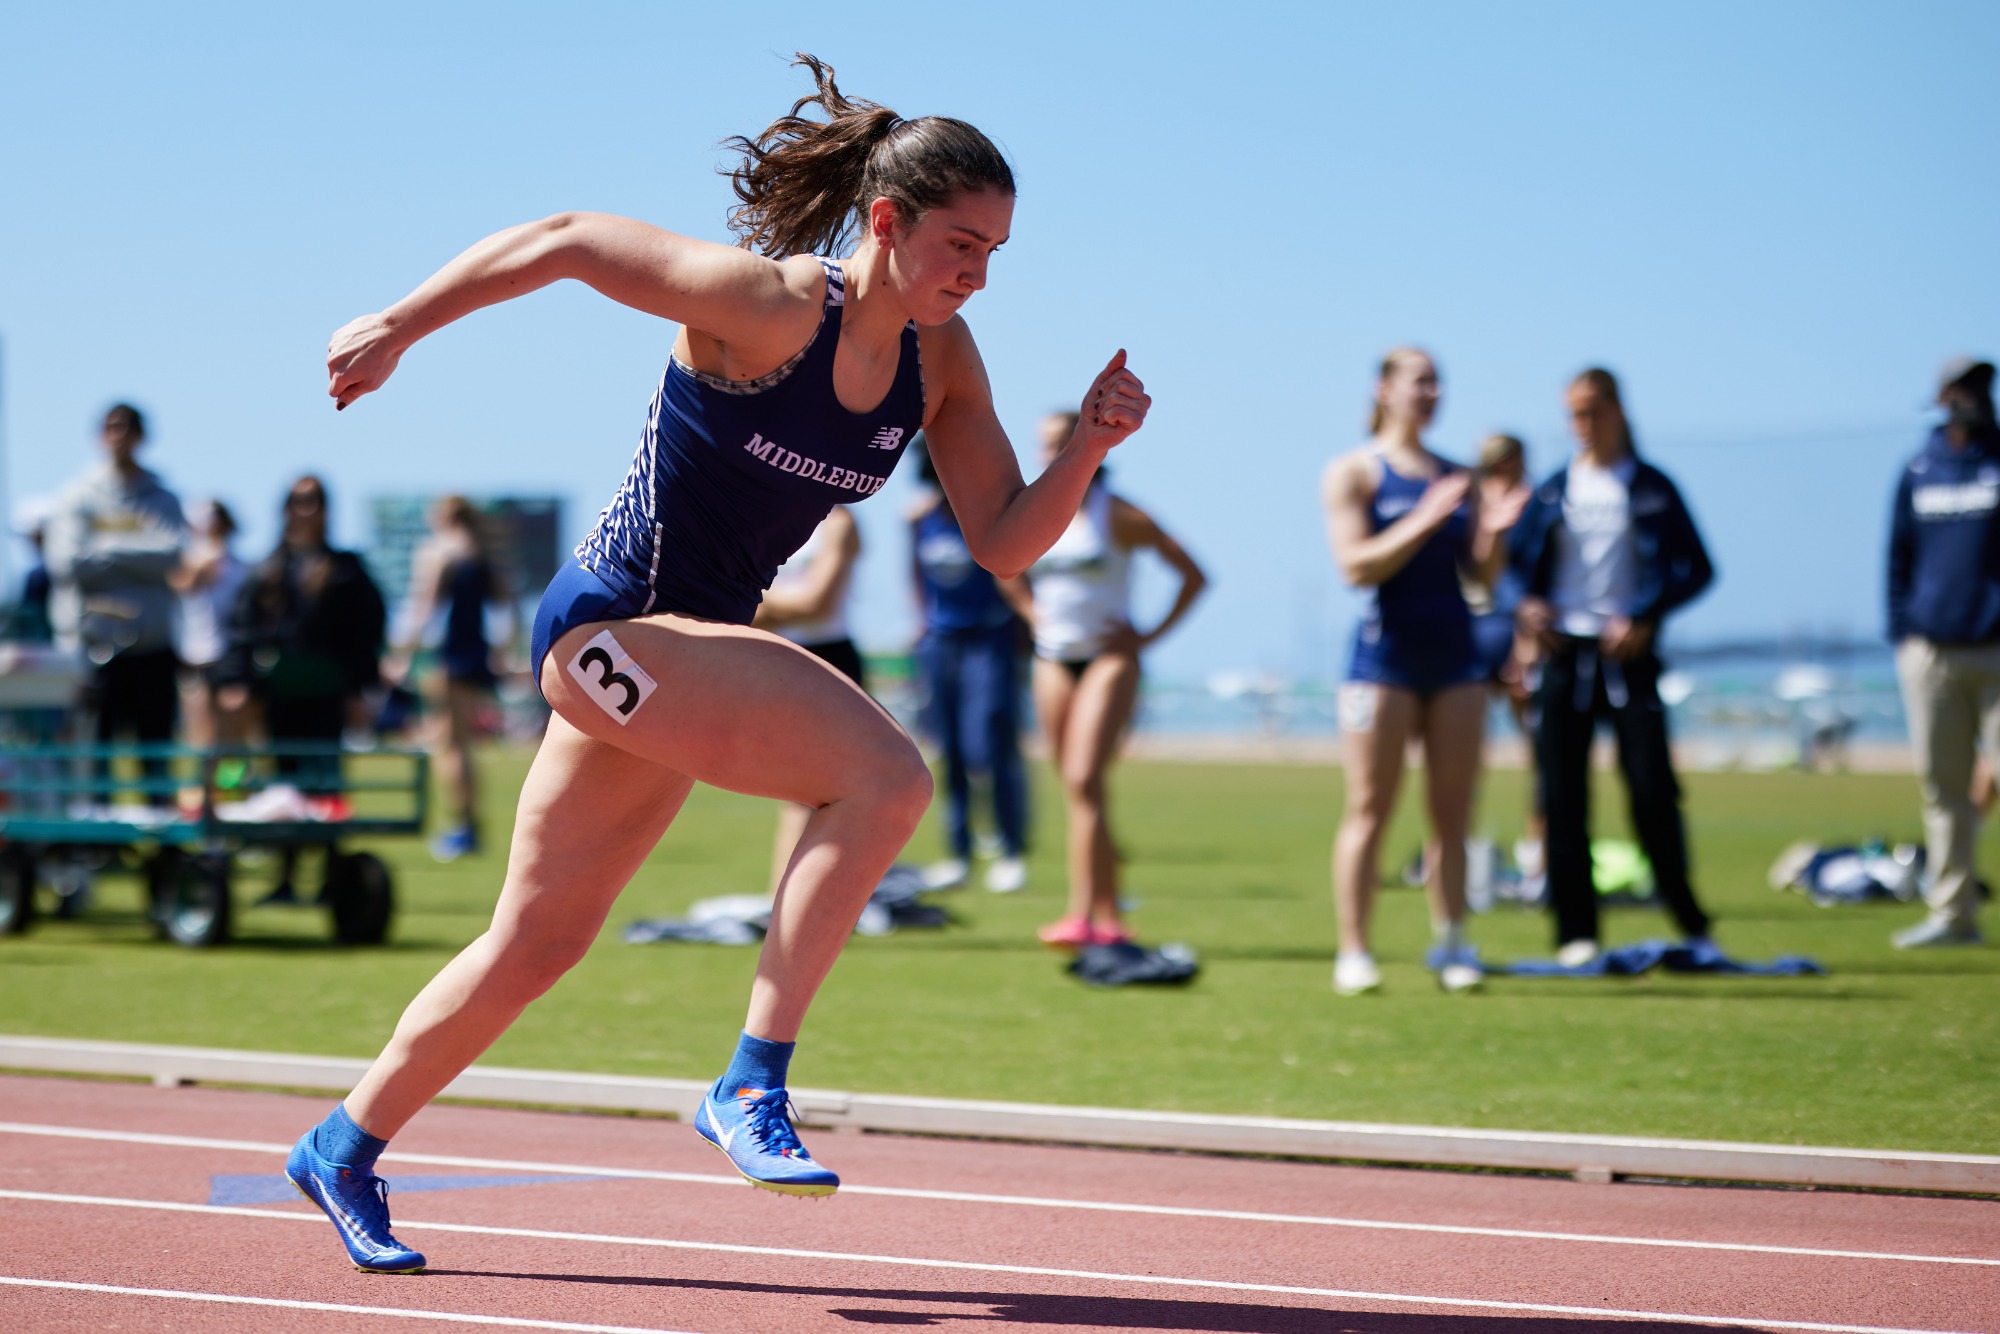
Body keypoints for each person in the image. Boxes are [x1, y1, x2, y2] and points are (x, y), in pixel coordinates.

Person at [286, 54, 1150, 1275]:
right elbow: (569, 239)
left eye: (995, 252)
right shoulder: (770, 306)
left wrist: (1089, 448)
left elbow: (1005, 537)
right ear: (886, 221)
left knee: (535, 942)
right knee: (885, 778)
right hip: (609, 626)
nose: (977, 272)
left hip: (678, 660)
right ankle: (750, 1081)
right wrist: (399, 325)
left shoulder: (942, 362)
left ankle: (341, 1143)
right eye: (961, 243)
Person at [1321, 351, 1524, 995]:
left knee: (1453, 814)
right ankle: (1355, 951)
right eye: (1420, 381)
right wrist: (1425, 518)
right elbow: (1355, 566)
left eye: (1439, 383)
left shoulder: (1458, 477)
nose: (1432, 393)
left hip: (1457, 660)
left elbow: (1481, 579)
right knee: (1368, 810)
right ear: (1384, 390)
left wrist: (1494, 532)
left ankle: (1454, 943)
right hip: (1381, 662)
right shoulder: (1354, 471)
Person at [1512, 368, 1716, 966]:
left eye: (1592, 411)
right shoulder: (1553, 491)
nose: (1582, 425)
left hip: (1628, 659)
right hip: (1563, 657)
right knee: (1561, 797)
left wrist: (1646, 615)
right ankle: (1575, 933)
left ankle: (1691, 923)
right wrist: (1525, 607)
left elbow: (1698, 568)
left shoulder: (1652, 487)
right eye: (1573, 414)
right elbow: (1514, 574)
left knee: (1652, 792)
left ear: (1618, 411)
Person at [1007, 411, 1205, 949]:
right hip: (1052, 658)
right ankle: (1110, 910)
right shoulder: (1034, 509)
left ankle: (1086, 916)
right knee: (1079, 788)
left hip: (1109, 658)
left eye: (1058, 443)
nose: (1048, 455)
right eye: (1043, 445)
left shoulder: (1117, 513)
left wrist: (1148, 636)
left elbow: (1193, 575)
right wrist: (1031, 614)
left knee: (1083, 780)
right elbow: (1002, 566)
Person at [217, 476, 388, 902]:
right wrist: (237, 680)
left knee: (326, 785)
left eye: (314, 501)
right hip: (281, 696)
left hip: (327, 697)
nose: (305, 510)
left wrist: (360, 687)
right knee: (284, 786)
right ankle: (287, 876)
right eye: (298, 501)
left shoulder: (346, 569)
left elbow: (366, 630)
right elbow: (243, 629)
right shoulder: (269, 568)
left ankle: (332, 877)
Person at [1885, 355, 2000, 949]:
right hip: (1931, 652)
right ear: (1940, 397)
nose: (1972, 397)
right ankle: (1954, 915)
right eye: (1961, 388)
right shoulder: (1918, 469)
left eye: (1981, 386)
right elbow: (1898, 557)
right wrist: (1905, 633)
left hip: (1996, 650)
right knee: (1943, 787)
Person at [43, 403, 186, 785]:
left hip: (153, 647)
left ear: (141, 436)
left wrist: (104, 549)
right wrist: (139, 554)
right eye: (110, 427)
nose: (118, 435)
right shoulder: (77, 496)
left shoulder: (162, 498)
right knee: (94, 762)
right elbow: (68, 562)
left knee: (156, 762)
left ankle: (160, 823)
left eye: (126, 427)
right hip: (94, 652)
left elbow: (171, 555)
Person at [910, 443, 1031, 893]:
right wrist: (921, 623)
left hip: (990, 639)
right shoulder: (920, 518)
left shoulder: (986, 513)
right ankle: (958, 853)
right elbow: (915, 575)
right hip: (941, 643)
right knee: (950, 750)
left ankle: (1010, 849)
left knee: (991, 744)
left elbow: (1015, 568)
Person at [752, 504, 867, 893]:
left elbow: (818, 604)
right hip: (781, 656)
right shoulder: (773, 515)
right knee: (794, 794)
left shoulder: (839, 522)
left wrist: (764, 605)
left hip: (831, 660)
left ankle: (799, 900)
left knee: (831, 793)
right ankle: (784, 900)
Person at [392, 495, 501, 862]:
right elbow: (506, 605)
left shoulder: (438, 552)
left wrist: (403, 654)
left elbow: (425, 606)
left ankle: (462, 828)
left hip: (446, 658)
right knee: (464, 745)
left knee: (448, 745)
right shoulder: (481, 553)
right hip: (475, 654)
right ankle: (470, 825)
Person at [1467, 434, 1545, 883]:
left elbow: (1535, 577)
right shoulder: (1467, 502)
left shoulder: (1536, 503)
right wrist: (1490, 528)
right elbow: (1480, 574)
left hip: (1521, 630)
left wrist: (1527, 644)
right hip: (1474, 631)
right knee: (1466, 754)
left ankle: (1538, 855)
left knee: (1540, 752)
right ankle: (1464, 853)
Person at [170, 500, 250, 749]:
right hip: (195, 659)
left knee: (232, 738)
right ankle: (206, 776)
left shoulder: (240, 568)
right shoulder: (185, 562)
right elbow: (184, 586)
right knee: (201, 738)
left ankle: (231, 777)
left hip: (232, 658)